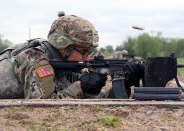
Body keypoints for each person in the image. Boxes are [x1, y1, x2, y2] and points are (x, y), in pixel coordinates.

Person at [0, 11, 144, 99]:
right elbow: (42, 104)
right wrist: (80, 86)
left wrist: (124, 83)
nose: (88, 58)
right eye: (84, 52)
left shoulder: (66, 65)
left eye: (90, 52)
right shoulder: (35, 58)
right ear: (64, 47)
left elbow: (94, 99)